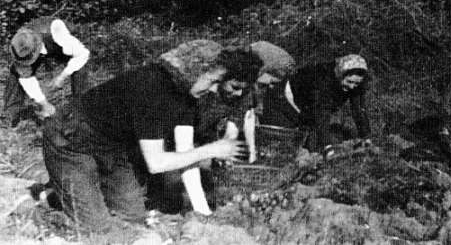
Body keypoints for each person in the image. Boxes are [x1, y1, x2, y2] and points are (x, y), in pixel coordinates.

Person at [41, 49, 257, 232]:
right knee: (97, 229)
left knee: (132, 217)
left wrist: (203, 213)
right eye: (213, 81)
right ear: (194, 71)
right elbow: (157, 163)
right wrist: (212, 150)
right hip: (71, 140)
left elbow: (185, 153)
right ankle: (54, 198)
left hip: (113, 147)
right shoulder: (153, 89)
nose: (213, 90)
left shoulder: (188, 95)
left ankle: (79, 190)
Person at [258, 54, 372, 153]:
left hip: (307, 106)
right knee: (281, 144)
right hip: (282, 100)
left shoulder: (358, 83)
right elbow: (321, 112)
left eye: (356, 84)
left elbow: (359, 109)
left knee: (310, 144)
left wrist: (366, 137)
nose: (352, 87)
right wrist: (327, 147)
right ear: (341, 75)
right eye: (349, 82)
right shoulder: (323, 80)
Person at [4, 17, 90, 126]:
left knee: (80, 68)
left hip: (63, 44)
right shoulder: (20, 43)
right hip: (40, 47)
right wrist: (44, 103)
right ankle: (13, 113)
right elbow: (27, 79)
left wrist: (62, 77)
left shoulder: (57, 32)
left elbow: (82, 54)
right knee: (16, 71)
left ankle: (83, 109)